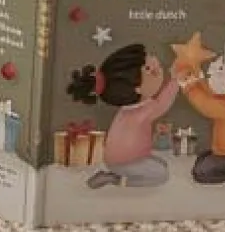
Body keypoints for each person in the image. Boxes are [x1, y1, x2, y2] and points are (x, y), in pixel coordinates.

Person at [67, 43, 179, 189]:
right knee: (161, 174)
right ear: (137, 88)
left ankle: (118, 173)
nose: (158, 67)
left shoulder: (128, 109)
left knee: (161, 164)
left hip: (123, 159)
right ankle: (115, 179)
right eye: (149, 70)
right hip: (125, 162)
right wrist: (175, 81)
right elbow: (162, 104)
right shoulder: (143, 110)